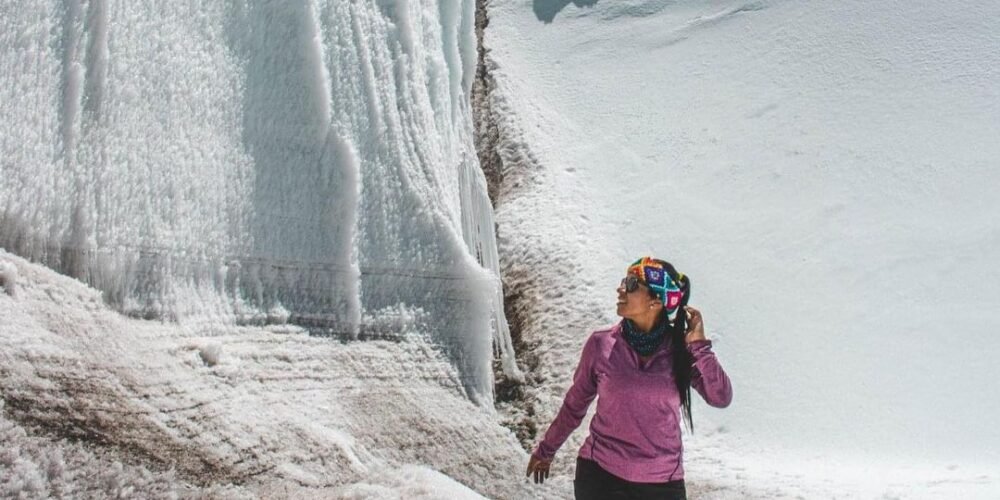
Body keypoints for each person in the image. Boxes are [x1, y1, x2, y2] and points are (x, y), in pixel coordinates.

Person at [525, 256, 732, 500]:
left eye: (632, 284)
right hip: (600, 478)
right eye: (625, 280)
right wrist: (546, 450)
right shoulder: (600, 344)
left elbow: (720, 397)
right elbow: (574, 405)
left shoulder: (681, 352)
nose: (621, 288)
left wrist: (699, 346)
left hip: (662, 484)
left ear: (656, 300)